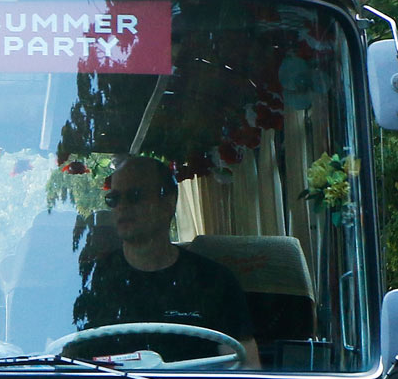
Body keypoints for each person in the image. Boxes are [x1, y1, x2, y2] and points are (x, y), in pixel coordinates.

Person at [70, 156, 260, 367]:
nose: (122, 206)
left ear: (168, 203)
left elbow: (244, 368)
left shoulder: (214, 281)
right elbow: (62, 363)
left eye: (134, 196)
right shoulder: (87, 281)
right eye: (113, 199)